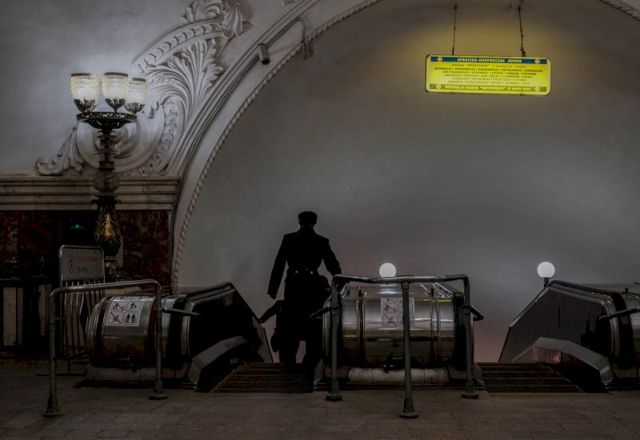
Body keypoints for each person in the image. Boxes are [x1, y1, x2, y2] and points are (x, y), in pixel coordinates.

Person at [267, 211, 342, 372]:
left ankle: (289, 363)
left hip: (293, 284)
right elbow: (332, 265)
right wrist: (342, 284)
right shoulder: (321, 241)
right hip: (312, 284)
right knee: (313, 322)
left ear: (299, 222)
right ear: (314, 222)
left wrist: (273, 289)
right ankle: (309, 365)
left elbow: (279, 264)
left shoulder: (289, 239)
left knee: (291, 321)